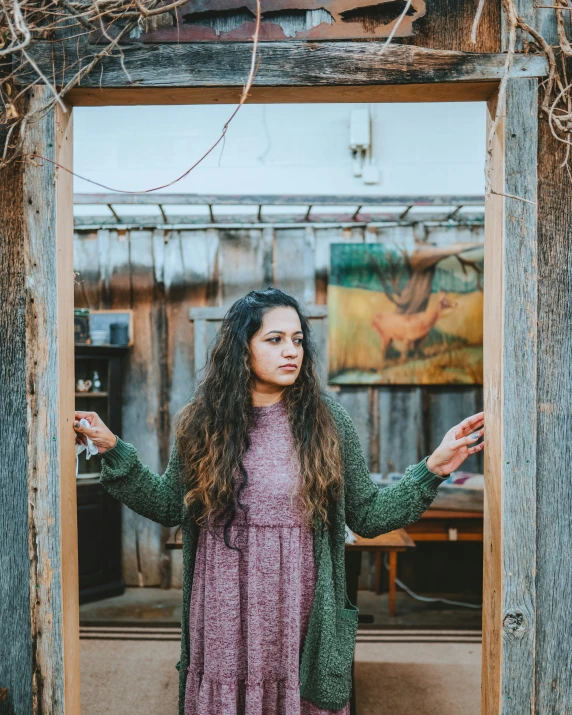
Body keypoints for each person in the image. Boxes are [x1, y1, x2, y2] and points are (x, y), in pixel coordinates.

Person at [73, 287, 484, 715]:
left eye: (297, 339)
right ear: (241, 348)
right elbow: (167, 505)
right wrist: (114, 450)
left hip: (301, 602)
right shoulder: (202, 421)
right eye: (274, 340)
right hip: (224, 601)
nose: (291, 351)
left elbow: (368, 514)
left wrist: (433, 468)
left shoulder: (328, 421)